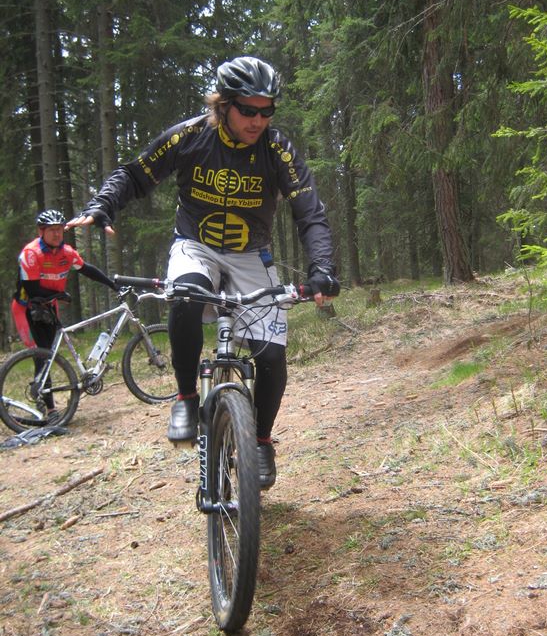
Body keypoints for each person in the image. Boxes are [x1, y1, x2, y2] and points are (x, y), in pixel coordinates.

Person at [66, 55, 340, 489]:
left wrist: (322, 268)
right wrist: (103, 204)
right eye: (247, 110)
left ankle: (261, 441)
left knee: (271, 356)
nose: (258, 120)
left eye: (267, 111)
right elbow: (135, 174)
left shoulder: (277, 149)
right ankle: (187, 397)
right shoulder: (191, 136)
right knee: (186, 295)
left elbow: (309, 212)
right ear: (223, 105)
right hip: (195, 245)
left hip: (252, 253)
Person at [11, 209, 117, 417]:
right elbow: (32, 290)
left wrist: (112, 284)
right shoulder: (31, 253)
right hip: (26, 308)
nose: (57, 234)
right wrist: (60, 294)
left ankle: (41, 393)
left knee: (50, 354)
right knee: (42, 354)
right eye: (52, 230)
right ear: (41, 231)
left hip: (49, 305)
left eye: (59, 229)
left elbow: (86, 269)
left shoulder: (66, 252)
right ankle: (50, 409)